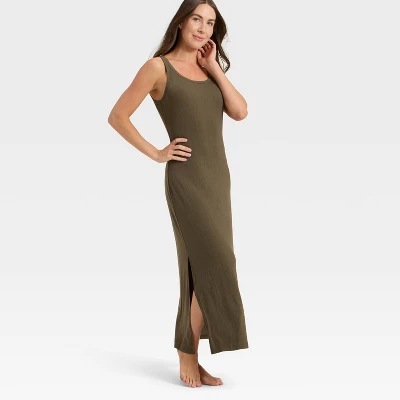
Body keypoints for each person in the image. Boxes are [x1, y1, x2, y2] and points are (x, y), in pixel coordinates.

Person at [108, 0, 249, 388]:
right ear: (181, 23)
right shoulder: (158, 68)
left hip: (218, 179)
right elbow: (117, 116)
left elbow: (240, 111)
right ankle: (186, 352)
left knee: (202, 266)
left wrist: (214, 68)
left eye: (211, 23)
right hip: (186, 180)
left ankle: (192, 353)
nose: (203, 28)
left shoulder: (208, 67)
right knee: (218, 262)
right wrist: (157, 152)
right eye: (197, 20)